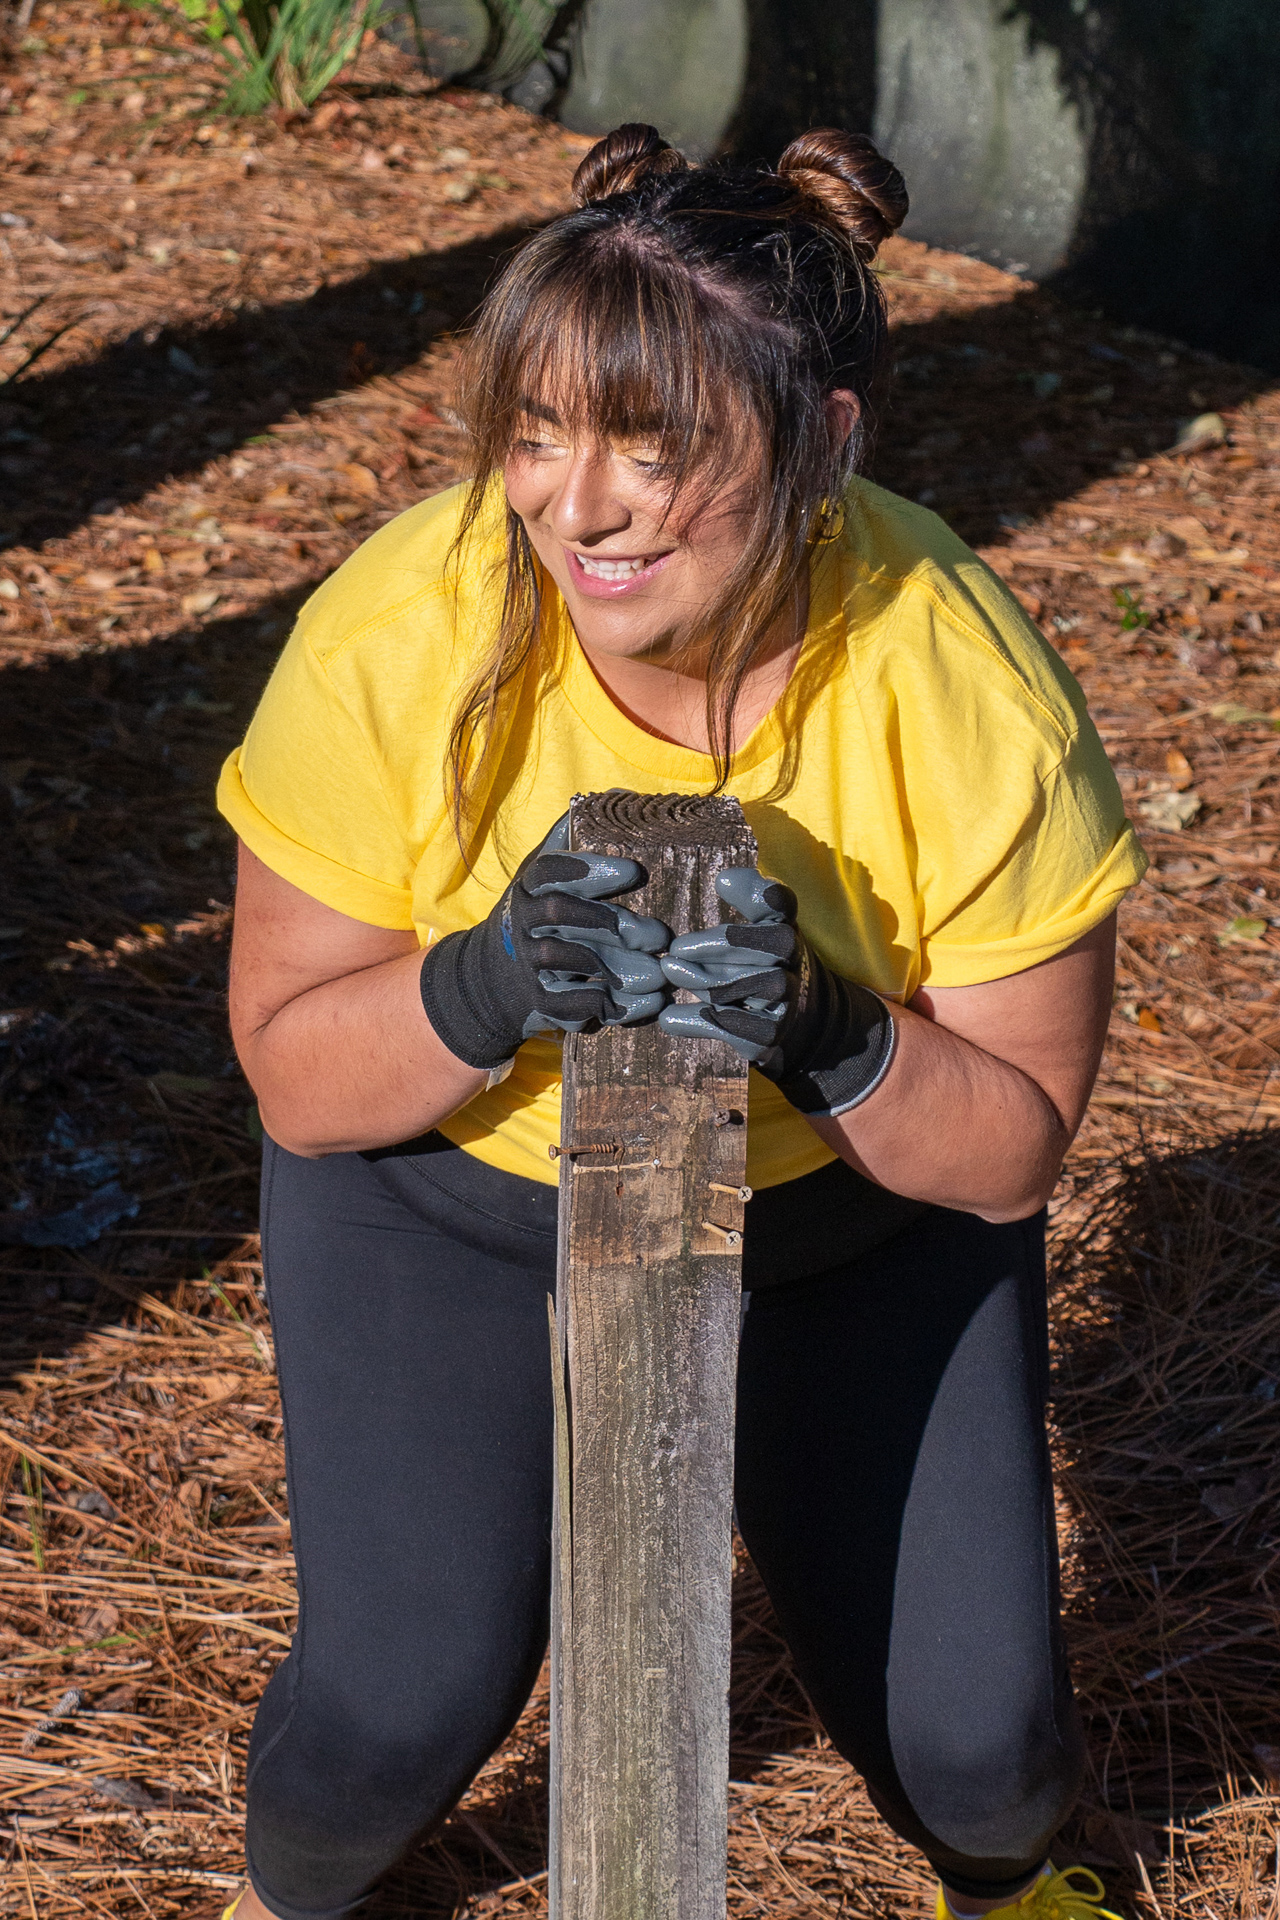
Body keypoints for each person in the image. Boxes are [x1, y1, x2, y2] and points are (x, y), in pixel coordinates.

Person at [217, 122, 1144, 1920]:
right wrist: (488, 984)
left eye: (660, 445)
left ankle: (1022, 1887)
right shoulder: (402, 627)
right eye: (539, 430)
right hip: (444, 1196)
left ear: (825, 446)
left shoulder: (965, 692)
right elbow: (300, 1080)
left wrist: (831, 1026)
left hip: (849, 1225)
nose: (578, 506)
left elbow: (1015, 1144)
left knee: (979, 1749)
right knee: (392, 1715)